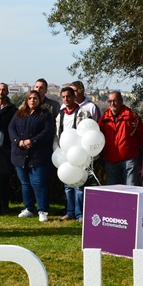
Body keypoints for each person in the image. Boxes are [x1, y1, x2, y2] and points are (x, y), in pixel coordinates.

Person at [8, 90, 54, 222]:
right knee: (25, 183)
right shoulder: (19, 113)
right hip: (20, 155)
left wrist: (32, 141)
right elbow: (11, 129)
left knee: (38, 183)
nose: (32, 100)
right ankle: (28, 208)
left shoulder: (45, 115)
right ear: (26, 100)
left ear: (39, 100)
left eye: (35, 98)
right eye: (30, 98)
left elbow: (47, 132)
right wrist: (18, 141)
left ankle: (42, 210)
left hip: (38, 156)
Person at [54, 85, 96, 222]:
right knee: (68, 185)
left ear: (74, 97)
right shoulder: (60, 115)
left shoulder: (83, 113)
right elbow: (56, 133)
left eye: (69, 96)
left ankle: (80, 214)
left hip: (79, 153)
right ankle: (69, 212)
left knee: (79, 185)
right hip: (65, 154)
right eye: (64, 97)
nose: (66, 99)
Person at [99, 90, 143, 185]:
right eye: (110, 101)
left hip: (129, 160)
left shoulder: (132, 117)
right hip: (110, 160)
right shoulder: (104, 118)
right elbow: (99, 135)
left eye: (115, 100)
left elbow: (141, 137)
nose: (112, 103)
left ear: (121, 101)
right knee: (112, 192)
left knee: (131, 190)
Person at [0, 83, 17, 215]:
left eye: (4, 90)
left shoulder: (13, 109)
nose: (1, 92)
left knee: (5, 178)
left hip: (7, 147)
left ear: (7, 92)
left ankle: (5, 205)